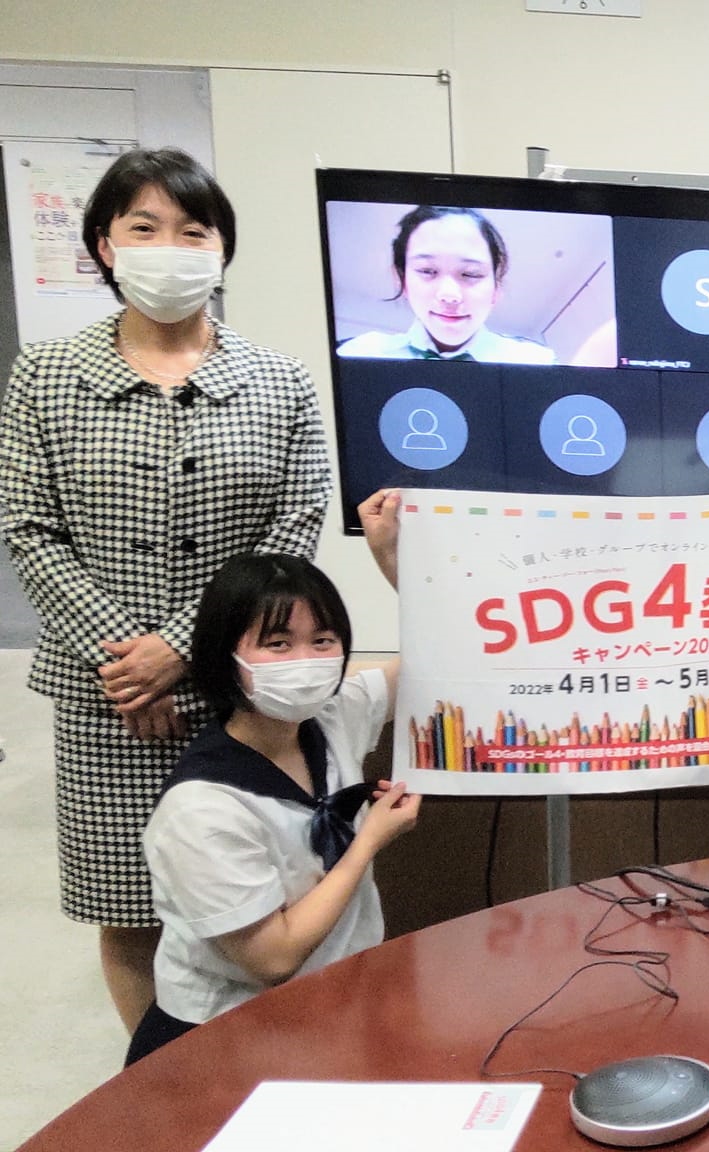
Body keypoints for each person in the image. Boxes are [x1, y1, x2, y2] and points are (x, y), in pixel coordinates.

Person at [0, 147, 330, 1034]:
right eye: (143, 227)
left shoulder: (279, 380)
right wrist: (128, 664)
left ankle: (259, 1066)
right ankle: (163, 1079)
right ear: (105, 245)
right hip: (106, 699)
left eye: (193, 230)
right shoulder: (45, 375)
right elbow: (27, 527)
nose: (169, 248)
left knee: (261, 898)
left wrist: (180, 650)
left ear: (222, 249)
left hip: (244, 691)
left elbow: (293, 523)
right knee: (131, 908)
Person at [126, 490, 418, 1065]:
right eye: (277, 644)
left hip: (333, 1004)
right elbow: (272, 958)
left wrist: (392, 562)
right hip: (225, 1038)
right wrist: (368, 842)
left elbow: (444, 660)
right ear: (223, 657)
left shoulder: (332, 716)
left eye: (322, 641)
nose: (304, 661)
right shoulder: (202, 809)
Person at [336, 205, 554, 364]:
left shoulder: (535, 362)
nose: (449, 295)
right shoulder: (360, 354)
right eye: (427, 271)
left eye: (470, 274)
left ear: (496, 288)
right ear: (401, 279)